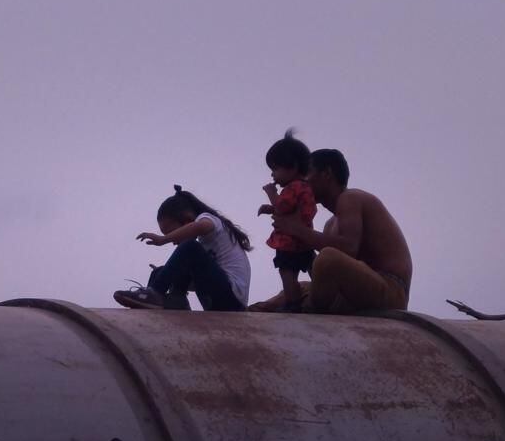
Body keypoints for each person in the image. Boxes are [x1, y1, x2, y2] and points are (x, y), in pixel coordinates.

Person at [252, 148, 412, 313]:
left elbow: (348, 250)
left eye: (307, 173)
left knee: (328, 257)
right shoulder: (331, 224)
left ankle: (308, 312)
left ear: (327, 173)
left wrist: (296, 229)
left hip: (389, 291)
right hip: (352, 295)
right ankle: (253, 310)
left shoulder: (351, 198)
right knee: (297, 289)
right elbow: (324, 271)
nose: (303, 181)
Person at [113, 187, 252, 312]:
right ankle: (169, 301)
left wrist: (163, 240)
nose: (173, 240)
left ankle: (154, 294)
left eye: (172, 233)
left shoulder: (209, 220)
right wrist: (169, 274)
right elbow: (200, 281)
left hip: (233, 299)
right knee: (160, 272)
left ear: (187, 220)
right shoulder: (203, 248)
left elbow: (201, 226)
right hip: (218, 301)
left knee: (189, 246)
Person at [256, 130, 317, 313]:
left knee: (287, 271)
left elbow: (283, 207)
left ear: (293, 167)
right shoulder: (305, 187)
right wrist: (270, 209)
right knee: (312, 266)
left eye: (275, 169)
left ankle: (293, 303)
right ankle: (327, 293)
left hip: (289, 242)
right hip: (304, 240)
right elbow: (290, 209)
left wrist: (271, 193)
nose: (273, 175)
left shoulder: (294, 187)